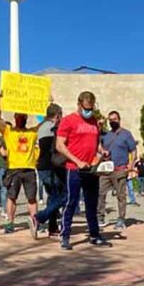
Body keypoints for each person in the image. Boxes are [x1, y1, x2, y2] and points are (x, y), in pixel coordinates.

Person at [48, 91, 111, 250]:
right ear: (79, 104)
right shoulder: (68, 121)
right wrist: (77, 161)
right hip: (74, 169)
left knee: (92, 204)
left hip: (91, 170)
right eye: (86, 108)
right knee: (71, 202)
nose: (88, 112)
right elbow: (60, 145)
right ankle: (65, 236)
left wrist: (102, 151)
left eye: (91, 109)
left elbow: (96, 143)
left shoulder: (94, 122)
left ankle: (95, 235)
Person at [0, 92, 41, 234]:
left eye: (23, 116)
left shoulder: (32, 133)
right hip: (13, 170)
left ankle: (34, 222)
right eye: (18, 116)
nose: (20, 118)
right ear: (14, 118)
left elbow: (45, 121)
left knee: (32, 198)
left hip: (29, 170)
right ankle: (10, 222)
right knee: (11, 197)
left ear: (26, 118)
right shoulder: (9, 131)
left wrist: (48, 103)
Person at [97, 110, 138, 231]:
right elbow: (98, 145)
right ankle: (100, 218)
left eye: (114, 119)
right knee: (100, 193)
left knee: (121, 195)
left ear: (119, 120)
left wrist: (131, 165)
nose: (112, 122)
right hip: (106, 169)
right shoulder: (106, 135)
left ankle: (121, 219)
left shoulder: (126, 134)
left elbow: (133, 150)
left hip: (120, 169)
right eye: (110, 120)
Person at [34, 103, 65, 238]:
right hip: (52, 168)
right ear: (57, 116)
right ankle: (40, 217)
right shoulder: (55, 128)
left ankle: (52, 226)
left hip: (42, 167)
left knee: (52, 197)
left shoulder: (41, 127)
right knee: (64, 196)